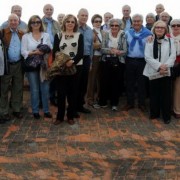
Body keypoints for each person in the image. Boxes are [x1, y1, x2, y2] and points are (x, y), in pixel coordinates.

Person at [52, 14, 84, 125]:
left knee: (73, 93)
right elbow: (55, 51)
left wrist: (72, 61)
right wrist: (64, 62)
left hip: (76, 67)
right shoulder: (58, 35)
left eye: (72, 22)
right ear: (64, 23)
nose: (70, 24)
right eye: (68, 21)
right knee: (61, 93)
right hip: (61, 67)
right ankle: (59, 117)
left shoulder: (79, 36)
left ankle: (70, 116)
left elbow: (81, 52)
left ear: (75, 24)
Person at [143, 20, 176, 124]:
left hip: (166, 71)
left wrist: (165, 66)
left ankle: (166, 116)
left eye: (162, 27)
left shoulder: (171, 41)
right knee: (154, 93)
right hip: (153, 71)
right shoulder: (149, 40)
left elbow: (173, 56)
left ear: (165, 29)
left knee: (166, 95)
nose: (160, 29)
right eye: (157, 27)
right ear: (154, 29)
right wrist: (159, 67)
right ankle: (154, 113)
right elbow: (147, 57)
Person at [21, 15, 52, 119]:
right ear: (30, 24)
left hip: (44, 65)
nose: (36, 24)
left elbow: (50, 47)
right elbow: (23, 52)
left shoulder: (46, 35)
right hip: (31, 65)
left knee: (45, 88)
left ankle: (46, 110)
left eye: (38, 22)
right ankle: (35, 111)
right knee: (34, 89)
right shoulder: (26, 36)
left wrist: (42, 51)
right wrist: (34, 52)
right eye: (33, 22)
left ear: (40, 23)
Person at [123, 14, 152, 112]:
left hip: (142, 61)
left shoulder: (148, 34)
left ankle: (142, 103)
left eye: (138, 21)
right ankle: (130, 103)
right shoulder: (128, 33)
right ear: (132, 22)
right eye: (134, 21)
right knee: (129, 82)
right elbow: (124, 46)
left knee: (142, 83)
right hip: (130, 60)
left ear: (142, 22)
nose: (136, 23)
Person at [98, 18, 127, 111]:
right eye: (112, 25)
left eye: (116, 25)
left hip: (118, 61)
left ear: (119, 26)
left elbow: (125, 51)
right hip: (106, 60)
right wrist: (111, 51)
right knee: (104, 82)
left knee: (116, 83)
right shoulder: (105, 34)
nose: (114, 27)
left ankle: (114, 103)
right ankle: (103, 102)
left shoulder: (123, 35)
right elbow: (102, 49)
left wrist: (118, 52)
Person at [0, 14, 24, 123]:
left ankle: (16, 109)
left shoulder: (22, 34)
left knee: (18, 88)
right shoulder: (2, 32)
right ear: (8, 21)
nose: (13, 22)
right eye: (11, 20)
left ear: (18, 22)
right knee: (3, 89)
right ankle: (3, 111)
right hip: (6, 65)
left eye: (15, 20)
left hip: (18, 64)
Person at [42, 4, 61, 106]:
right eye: (47, 9)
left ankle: (52, 97)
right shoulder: (39, 22)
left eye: (51, 9)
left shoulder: (57, 24)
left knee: (54, 76)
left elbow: (60, 36)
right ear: (44, 10)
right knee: (43, 76)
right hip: (43, 53)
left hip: (54, 53)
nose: (49, 11)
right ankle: (42, 99)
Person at [86, 14, 107, 107]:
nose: (98, 23)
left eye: (99, 21)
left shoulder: (104, 32)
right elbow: (91, 45)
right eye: (96, 21)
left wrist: (99, 45)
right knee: (92, 79)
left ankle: (99, 97)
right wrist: (100, 46)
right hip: (94, 57)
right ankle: (90, 99)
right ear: (92, 22)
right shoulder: (90, 32)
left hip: (103, 58)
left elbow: (106, 45)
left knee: (100, 79)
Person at [75, 8, 93, 115]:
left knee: (83, 83)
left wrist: (90, 62)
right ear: (77, 16)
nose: (84, 17)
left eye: (86, 15)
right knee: (75, 83)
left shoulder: (90, 30)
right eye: (82, 15)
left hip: (86, 58)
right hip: (76, 59)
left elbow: (91, 47)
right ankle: (73, 106)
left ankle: (80, 105)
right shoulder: (73, 28)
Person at [170, 19, 180, 119]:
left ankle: (177, 110)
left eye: (178, 25)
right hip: (168, 64)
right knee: (168, 88)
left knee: (178, 88)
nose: (176, 27)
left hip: (179, 65)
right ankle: (169, 107)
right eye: (173, 25)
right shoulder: (167, 37)